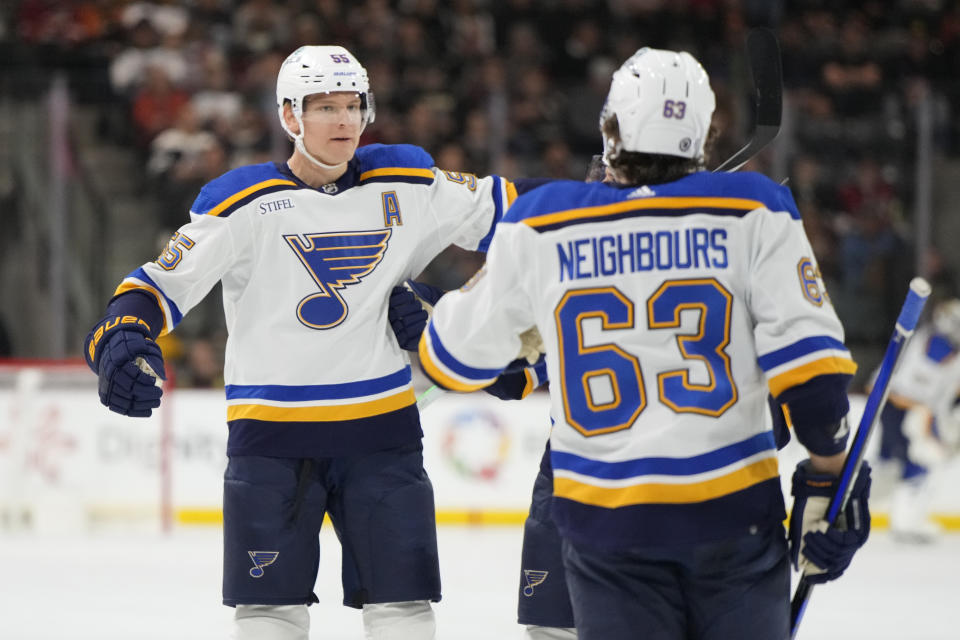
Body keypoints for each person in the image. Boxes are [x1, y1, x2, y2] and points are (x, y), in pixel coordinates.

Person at [412, 47, 872, 640]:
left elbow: (450, 357)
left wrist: (523, 320)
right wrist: (828, 474)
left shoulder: (543, 221)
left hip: (608, 533)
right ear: (704, 134)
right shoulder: (754, 208)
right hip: (733, 522)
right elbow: (810, 372)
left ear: (610, 129)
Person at [83, 45, 520, 640]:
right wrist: (123, 338)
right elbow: (155, 285)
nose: (343, 120)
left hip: (382, 432)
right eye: (324, 107)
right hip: (271, 440)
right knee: (271, 614)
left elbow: (521, 216)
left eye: (352, 106)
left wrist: (608, 207)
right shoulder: (241, 201)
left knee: (404, 608)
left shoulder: (410, 180)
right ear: (290, 117)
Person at [876, 298, 960, 541]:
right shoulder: (935, 347)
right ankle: (904, 521)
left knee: (893, 465)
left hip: (903, 407)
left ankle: (903, 519)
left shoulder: (942, 346)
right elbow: (907, 394)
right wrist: (929, 428)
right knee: (917, 461)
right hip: (900, 407)